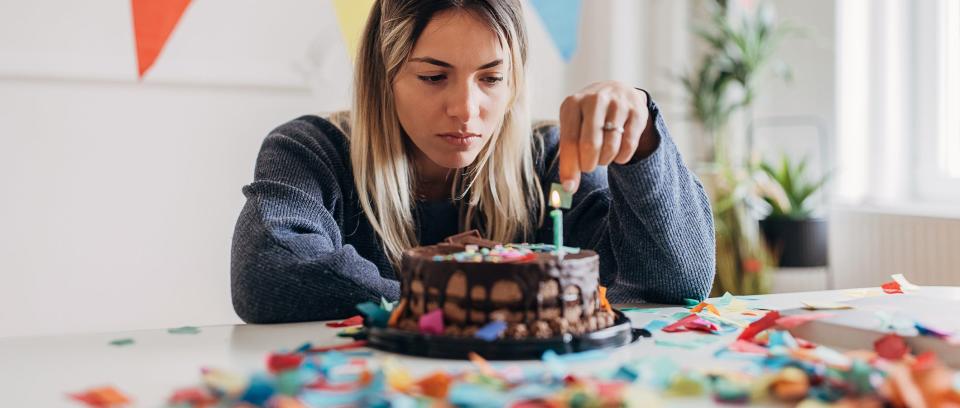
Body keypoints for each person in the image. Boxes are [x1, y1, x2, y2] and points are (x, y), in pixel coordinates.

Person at [231, 0, 715, 323]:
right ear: (385, 76)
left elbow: (675, 283)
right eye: (433, 76)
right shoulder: (312, 152)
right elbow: (268, 273)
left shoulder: (547, 159)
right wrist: (486, 302)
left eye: (490, 78)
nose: (465, 108)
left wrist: (643, 141)